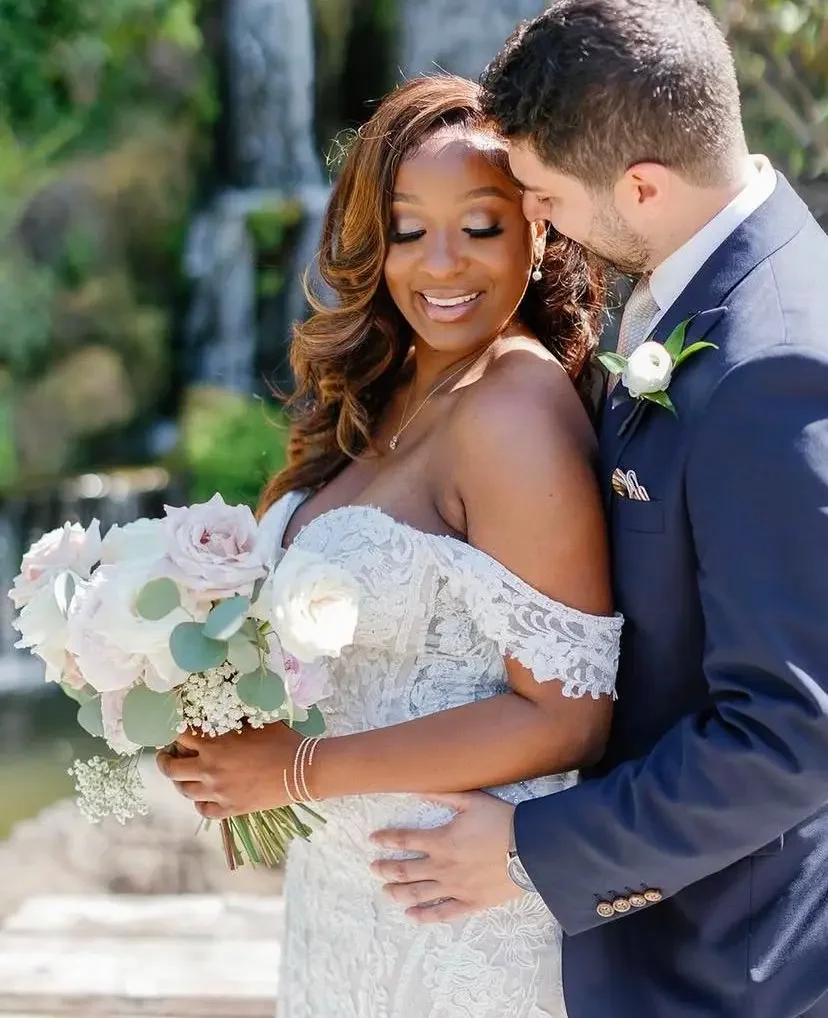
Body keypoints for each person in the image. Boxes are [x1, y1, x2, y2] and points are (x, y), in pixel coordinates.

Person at [364, 3, 828, 1017]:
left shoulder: (772, 364)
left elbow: (795, 734)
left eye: (543, 197)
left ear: (643, 186)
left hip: (724, 964)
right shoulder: (695, 279)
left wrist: (536, 852)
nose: (546, 230)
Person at [157, 74, 621, 1016]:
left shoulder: (515, 409)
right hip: (344, 897)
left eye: (481, 227)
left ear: (540, 230)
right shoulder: (395, 382)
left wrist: (290, 770)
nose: (441, 266)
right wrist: (213, 719)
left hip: (454, 917)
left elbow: (570, 717)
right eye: (408, 229)